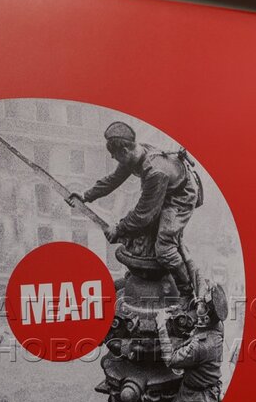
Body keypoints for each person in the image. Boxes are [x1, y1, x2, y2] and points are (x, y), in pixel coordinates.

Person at [69, 121, 200, 297]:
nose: (113, 158)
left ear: (124, 151)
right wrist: (86, 195)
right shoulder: (134, 154)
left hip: (179, 198)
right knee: (142, 236)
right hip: (163, 190)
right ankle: (142, 274)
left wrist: (119, 229)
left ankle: (186, 290)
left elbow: (143, 215)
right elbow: (113, 180)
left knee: (165, 248)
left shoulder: (154, 172)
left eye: (114, 155)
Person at [151, 280, 226, 402]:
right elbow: (196, 327)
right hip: (186, 394)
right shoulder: (216, 325)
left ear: (207, 318)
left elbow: (170, 360)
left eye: (202, 306)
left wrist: (161, 326)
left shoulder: (202, 346)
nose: (198, 305)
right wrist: (177, 312)